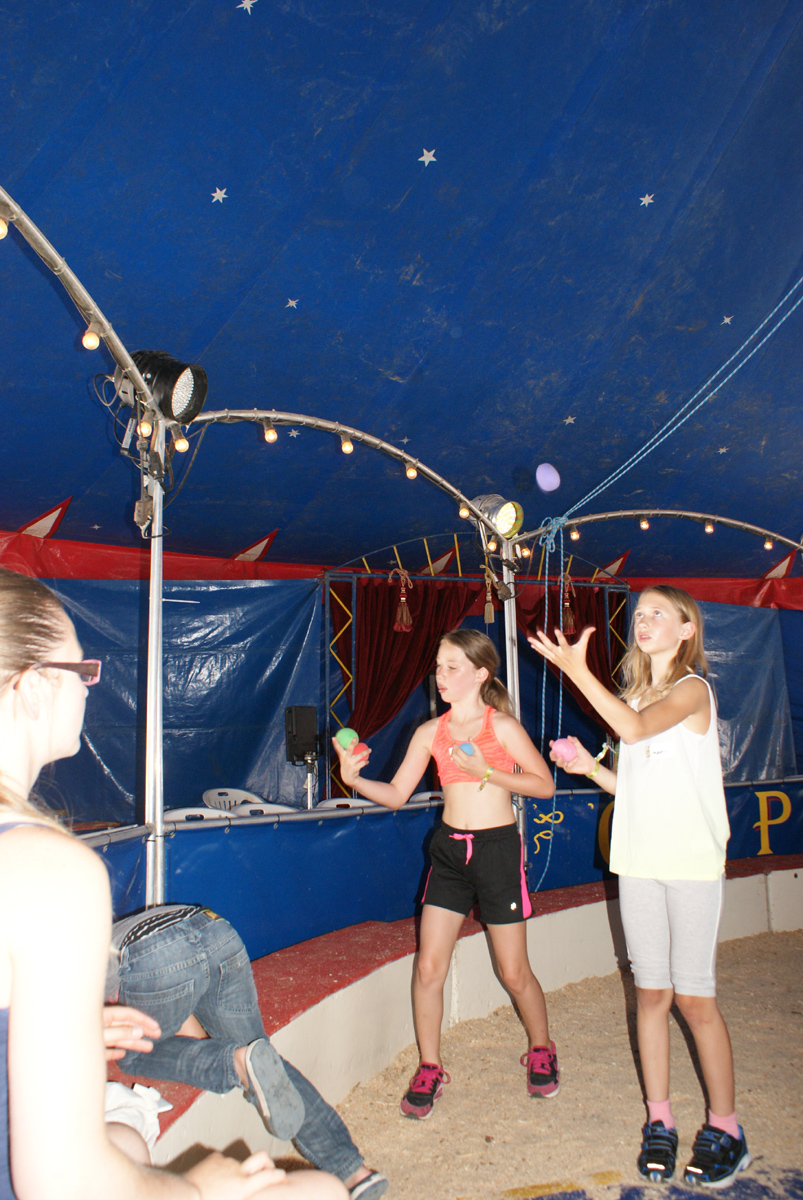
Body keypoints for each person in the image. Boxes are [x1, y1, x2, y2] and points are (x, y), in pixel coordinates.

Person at [0, 566, 346, 1200]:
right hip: (203, 938)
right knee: (316, 1192)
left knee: (130, 1135)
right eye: (83, 671)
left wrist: (67, 1029)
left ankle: (238, 1070)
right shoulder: (48, 870)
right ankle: (336, 1159)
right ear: (34, 687)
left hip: (174, 955)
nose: (89, 689)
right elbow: (63, 1182)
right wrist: (200, 1186)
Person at [529, 585, 751, 1189]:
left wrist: (577, 670)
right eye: (640, 614)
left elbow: (632, 730)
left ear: (687, 630)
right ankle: (660, 1121)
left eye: (659, 614)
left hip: (689, 862)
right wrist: (589, 769)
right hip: (639, 861)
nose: (644, 621)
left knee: (695, 1000)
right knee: (650, 994)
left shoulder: (692, 690)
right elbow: (635, 786)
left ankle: (727, 1129)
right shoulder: (634, 697)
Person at [332, 628, 557, 1120]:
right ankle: (430, 1066)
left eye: (452, 667)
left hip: (497, 852)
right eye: (438, 666)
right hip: (450, 853)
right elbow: (397, 794)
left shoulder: (502, 727)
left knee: (513, 972)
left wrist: (485, 772)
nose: (440, 675)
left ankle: (542, 1047)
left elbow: (544, 786)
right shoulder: (429, 732)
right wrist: (355, 780)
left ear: (481, 674)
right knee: (428, 967)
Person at [104, 904, 388, 1200]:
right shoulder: (101, 939)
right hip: (215, 930)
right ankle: (352, 1171)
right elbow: (184, 1019)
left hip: (154, 953)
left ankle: (236, 1064)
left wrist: (221, 1062)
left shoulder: (77, 970)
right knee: (259, 1057)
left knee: (134, 1054)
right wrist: (212, 1052)